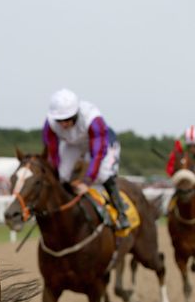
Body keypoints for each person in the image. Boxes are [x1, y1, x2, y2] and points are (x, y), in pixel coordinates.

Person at [42, 88, 130, 230]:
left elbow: (97, 154)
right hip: (73, 144)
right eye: (60, 121)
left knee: (103, 175)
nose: (63, 124)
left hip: (101, 144)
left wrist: (87, 181)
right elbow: (52, 153)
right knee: (62, 175)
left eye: (67, 119)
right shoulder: (50, 124)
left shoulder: (93, 119)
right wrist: (56, 171)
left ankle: (121, 212)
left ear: (76, 113)